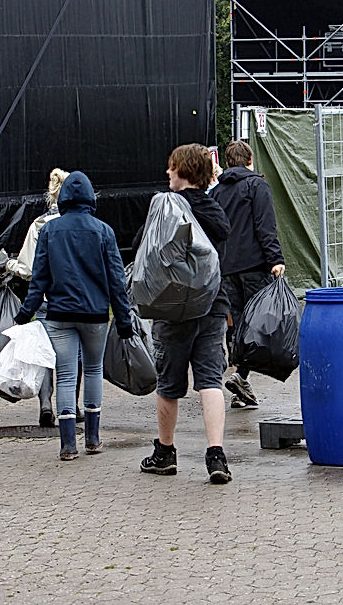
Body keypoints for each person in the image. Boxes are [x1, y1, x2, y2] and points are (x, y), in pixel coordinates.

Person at [13, 171, 133, 461]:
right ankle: (92, 438)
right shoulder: (104, 231)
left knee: (65, 375)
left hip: (58, 314)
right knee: (92, 371)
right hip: (94, 315)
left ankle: (67, 445)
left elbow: (38, 279)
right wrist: (124, 319)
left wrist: (24, 314)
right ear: (91, 197)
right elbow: (116, 280)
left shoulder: (50, 231)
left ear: (64, 197)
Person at [139, 143, 233, 484]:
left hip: (173, 308)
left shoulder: (168, 207)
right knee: (210, 380)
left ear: (184, 171)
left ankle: (165, 452)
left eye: (172, 167)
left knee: (169, 383)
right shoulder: (214, 210)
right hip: (212, 305)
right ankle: (216, 454)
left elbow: (149, 252)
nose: (167, 172)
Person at [210, 140, 286, 409]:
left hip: (228, 268)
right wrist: (275, 259)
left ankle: (239, 383)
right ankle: (240, 375)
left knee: (240, 323)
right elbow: (265, 225)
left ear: (228, 162)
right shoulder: (257, 185)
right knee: (260, 324)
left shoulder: (217, 192)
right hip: (255, 265)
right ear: (250, 159)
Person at [10, 168, 77, 428]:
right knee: (75, 357)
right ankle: (73, 406)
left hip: (48, 301)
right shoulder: (88, 223)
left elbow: (28, 270)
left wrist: (9, 266)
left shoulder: (39, 225)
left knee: (46, 354)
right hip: (79, 301)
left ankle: (46, 404)